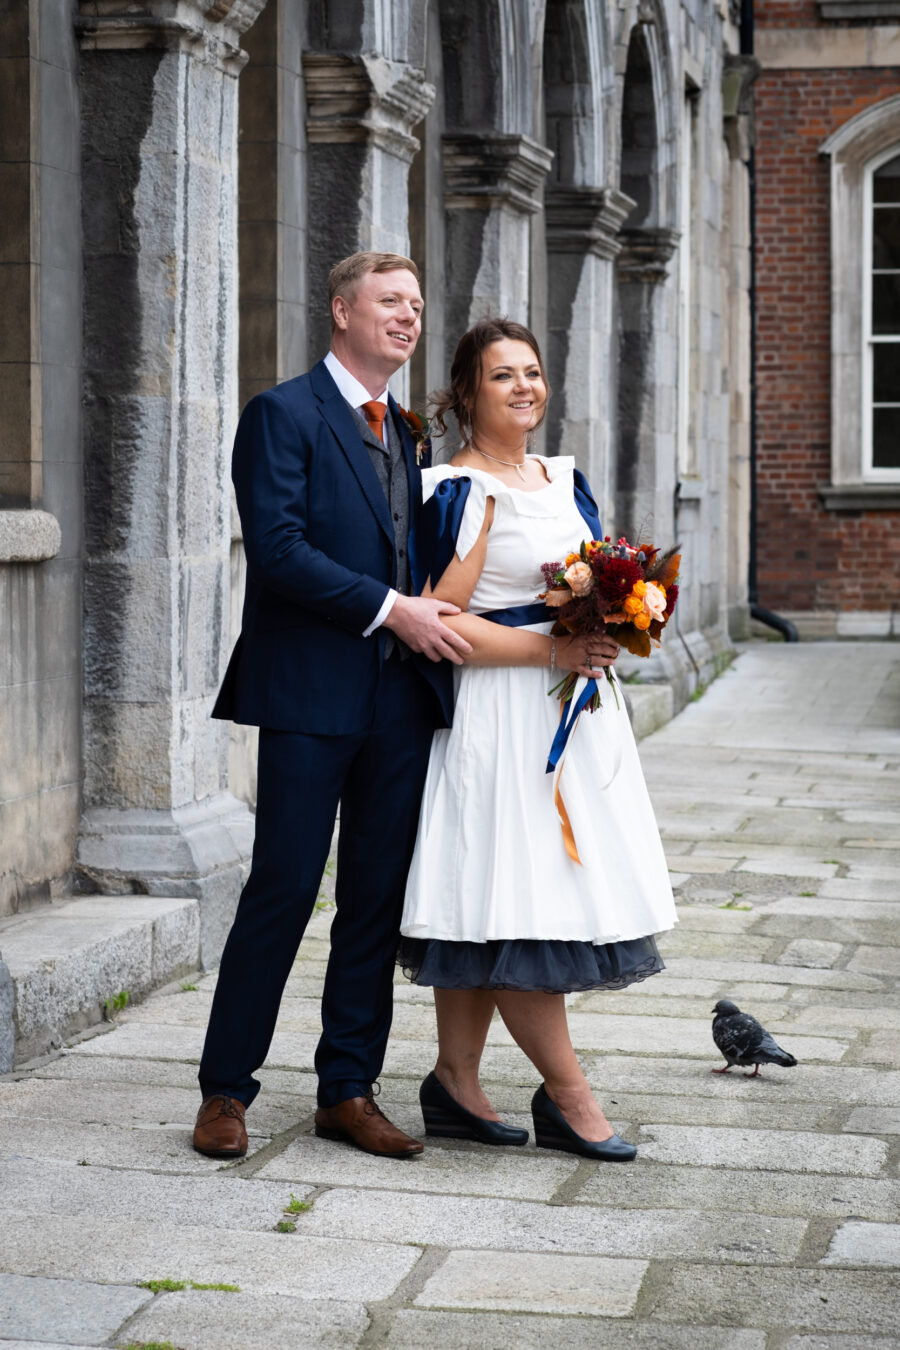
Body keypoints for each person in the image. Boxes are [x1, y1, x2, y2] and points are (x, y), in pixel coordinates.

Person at [193, 251, 473, 1162]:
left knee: (373, 902)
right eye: (390, 302)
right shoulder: (281, 413)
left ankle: (347, 1090)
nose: (408, 317)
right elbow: (275, 550)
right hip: (309, 695)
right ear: (342, 311)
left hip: (398, 700)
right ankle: (225, 1091)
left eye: (418, 306)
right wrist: (395, 610)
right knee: (282, 886)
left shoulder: (407, 431)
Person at [398, 317, 678, 1161]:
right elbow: (439, 624)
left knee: (489, 898)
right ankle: (570, 1097)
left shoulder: (564, 477)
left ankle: (455, 1081)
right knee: (518, 902)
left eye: (532, 371)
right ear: (467, 393)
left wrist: (627, 613)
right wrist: (555, 647)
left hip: (576, 718)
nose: (524, 386)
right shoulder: (457, 489)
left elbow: (591, 576)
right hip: (501, 719)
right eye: (501, 376)